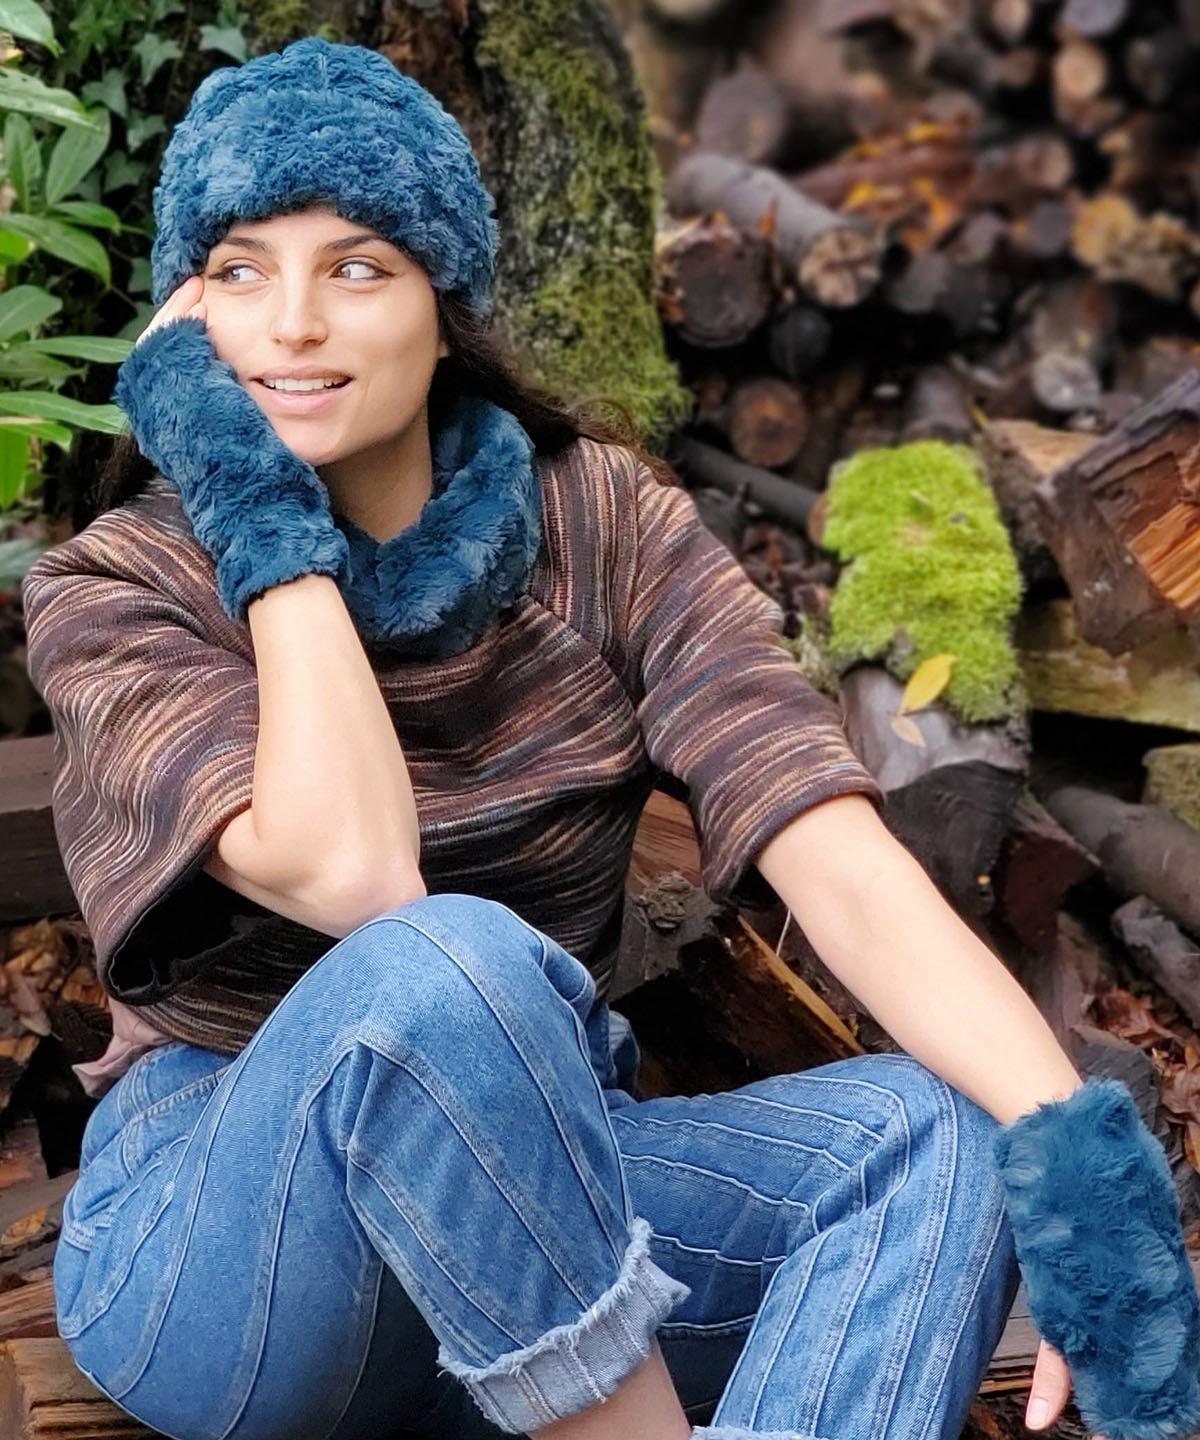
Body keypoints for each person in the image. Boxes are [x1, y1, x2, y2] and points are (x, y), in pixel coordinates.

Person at [18, 34, 1199, 1440]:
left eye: (356, 266)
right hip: (241, 1263)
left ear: (445, 306)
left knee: (941, 1141)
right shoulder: (116, 587)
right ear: (181, 325)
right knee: (446, 960)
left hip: (550, 1225)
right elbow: (357, 880)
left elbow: (831, 851)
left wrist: (1075, 1161)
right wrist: (264, 523)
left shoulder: (605, 527)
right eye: (238, 270)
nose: (291, 325)